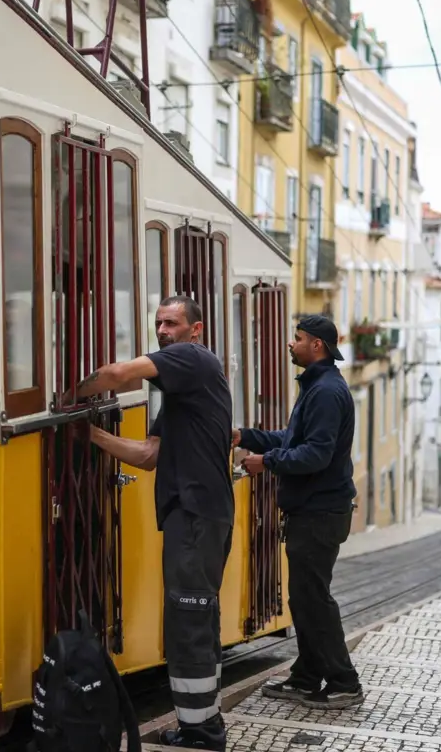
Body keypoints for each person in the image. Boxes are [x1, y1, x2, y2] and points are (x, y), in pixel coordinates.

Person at [79, 295, 233, 751]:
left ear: (195, 330)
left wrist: (66, 398)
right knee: (198, 618)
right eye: (158, 323)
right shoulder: (184, 395)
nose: (163, 331)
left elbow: (117, 375)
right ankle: (203, 722)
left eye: (172, 322)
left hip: (196, 514)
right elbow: (148, 456)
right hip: (198, 514)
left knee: (187, 621)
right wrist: (89, 434)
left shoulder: (192, 359)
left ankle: (201, 733)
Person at [233, 315, 363, 710]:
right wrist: (247, 436)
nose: (291, 344)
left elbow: (315, 454)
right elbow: (293, 439)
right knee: (304, 599)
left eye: (298, 338)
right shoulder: (317, 386)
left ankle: (344, 682)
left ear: (317, 346)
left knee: (313, 600)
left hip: (320, 512)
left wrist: (266, 462)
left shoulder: (324, 392)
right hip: (314, 511)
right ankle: (306, 678)